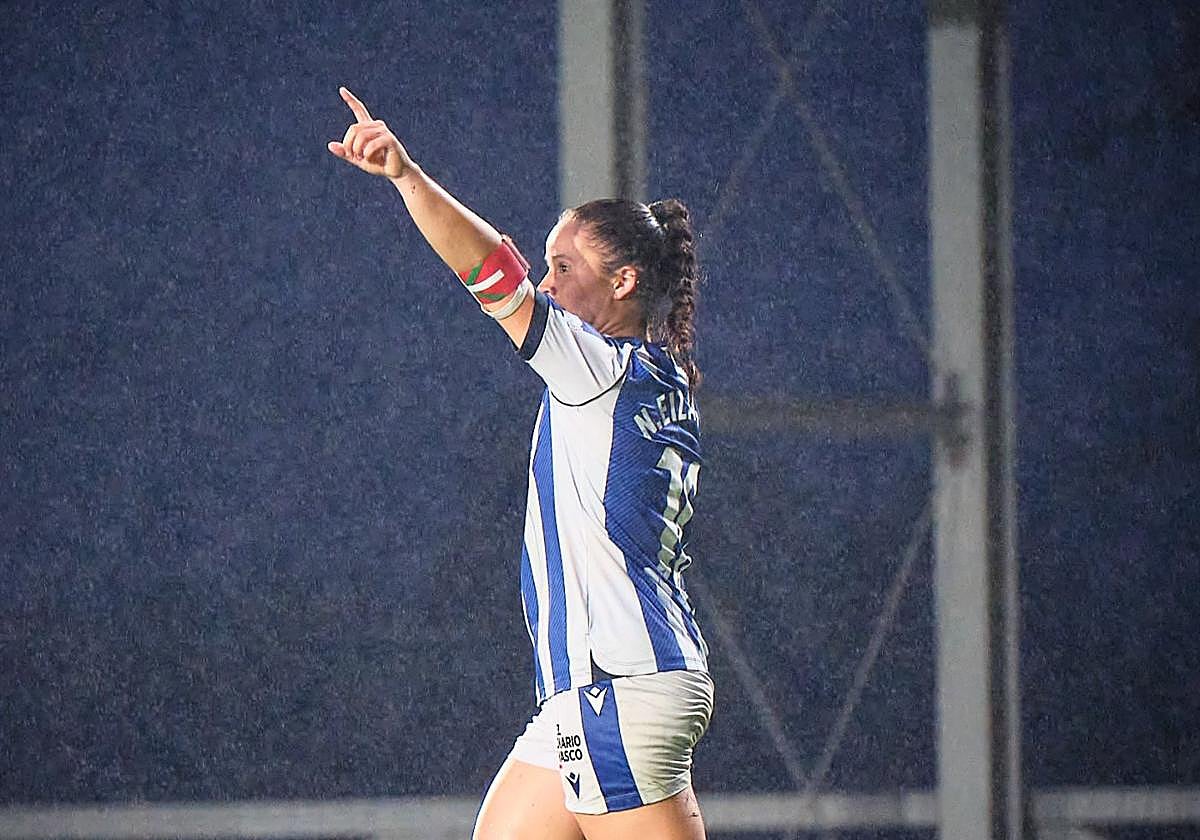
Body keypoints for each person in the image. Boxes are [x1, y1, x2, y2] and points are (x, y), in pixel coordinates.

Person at [329, 86, 713, 840]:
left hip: (616, 686)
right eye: (549, 265)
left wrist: (407, 176)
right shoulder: (653, 377)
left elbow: (491, 271)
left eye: (565, 265)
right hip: (597, 692)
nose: (547, 281)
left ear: (623, 282)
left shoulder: (598, 368)